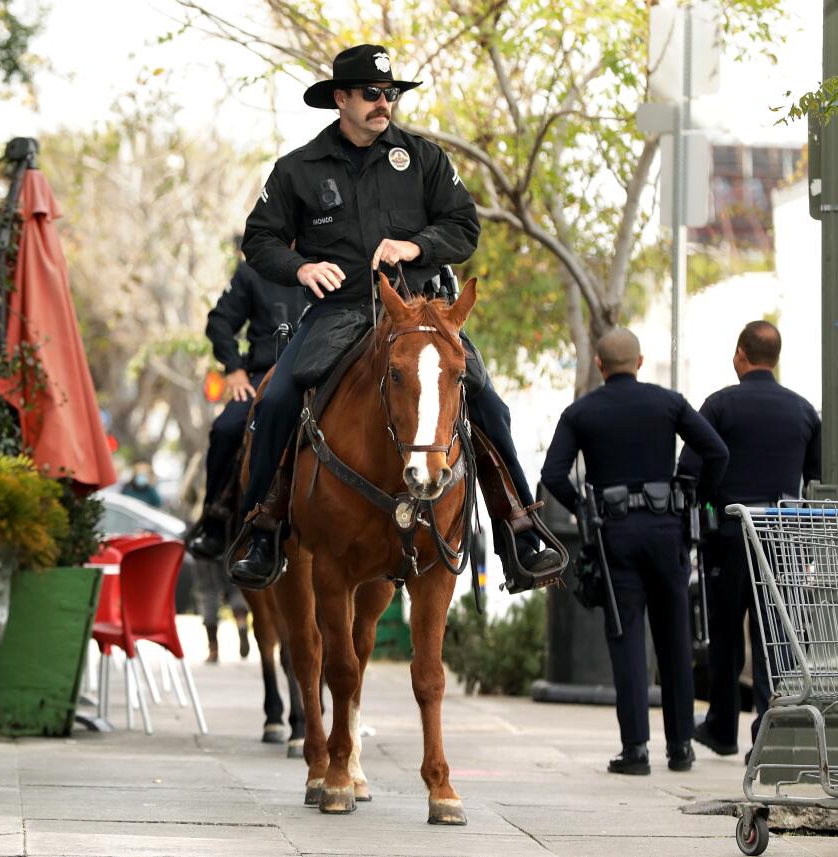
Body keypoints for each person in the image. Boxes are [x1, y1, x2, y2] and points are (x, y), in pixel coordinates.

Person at [230, 43, 562, 587]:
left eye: (390, 94)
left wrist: (416, 247)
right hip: (339, 310)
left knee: (489, 403)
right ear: (341, 99)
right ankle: (263, 529)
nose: (383, 103)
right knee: (279, 397)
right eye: (371, 94)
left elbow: (464, 228)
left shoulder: (426, 158)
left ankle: (519, 531)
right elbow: (259, 240)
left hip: (419, 312)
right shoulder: (297, 169)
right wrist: (301, 268)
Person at [540, 329, 729, 775]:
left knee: (626, 637)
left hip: (614, 535)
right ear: (640, 362)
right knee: (674, 638)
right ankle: (681, 747)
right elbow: (715, 450)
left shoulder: (581, 411)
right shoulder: (669, 402)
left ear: (600, 366)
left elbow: (553, 474)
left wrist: (585, 511)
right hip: (668, 530)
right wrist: (696, 495)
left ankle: (636, 751)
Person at [679, 321, 821, 762]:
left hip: (729, 535)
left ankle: (723, 726)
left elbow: (690, 469)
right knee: (773, 634)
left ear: (741, 354)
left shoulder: (719, 406)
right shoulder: (803, 411)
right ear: (774, 358)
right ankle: (768, 727)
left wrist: (701, 508)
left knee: (725, 633)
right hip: (782, 538)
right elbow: (814, 480)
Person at [187, 257, 309, 560]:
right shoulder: (254, 270)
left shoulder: (335, 260)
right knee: (226, 428)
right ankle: (215, 517)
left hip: (321, 372)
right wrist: (233, 367)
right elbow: (219, 321)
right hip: (262, 376)